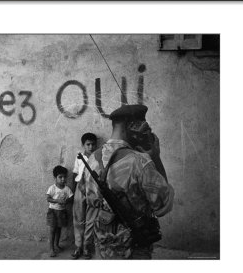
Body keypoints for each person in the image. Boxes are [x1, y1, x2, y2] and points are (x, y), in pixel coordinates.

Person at [84, 104, 174, 259]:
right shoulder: (140, 162)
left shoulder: (92, 159)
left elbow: (92, 201)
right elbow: (163, 205)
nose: (146, 134)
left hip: (104, 245)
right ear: (131, 126)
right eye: (144, 129)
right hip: (134, 248)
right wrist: (156, 158)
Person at [71, 133, 97, 259]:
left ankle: (87, 247)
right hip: (79, 188)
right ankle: (78, 246)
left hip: (93, 189)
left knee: (91, 220)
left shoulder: (98, 158)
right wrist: (71, 192)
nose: (91, 147)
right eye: (88, 144)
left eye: (93, 144)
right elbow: (74, 173)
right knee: (78, 218)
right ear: (83, 145)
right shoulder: (79, 157)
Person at [46, 165, 73, 257]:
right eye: (60, 177)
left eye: (64, 177)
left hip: (62, 212)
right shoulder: (52, 188)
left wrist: (67, 201)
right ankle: (51, 249)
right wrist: (57, 200)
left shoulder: (67, 189)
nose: (63, 179)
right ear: (55, 178)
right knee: (52, 230)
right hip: (53, 211)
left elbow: (71, 198)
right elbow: (48, 198)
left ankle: (57, 245)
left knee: (59, 229)